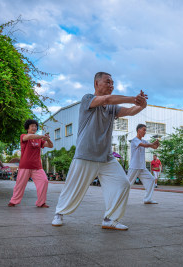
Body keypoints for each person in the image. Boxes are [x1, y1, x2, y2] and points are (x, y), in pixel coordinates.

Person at [52, 72, 148, 231]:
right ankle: (59, 213)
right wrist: (132, 98)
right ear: (96, 84)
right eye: (107, 82)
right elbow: (106, 99)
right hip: (86, 154)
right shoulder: (87, 99)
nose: (111, 85)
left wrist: (141, 104)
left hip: (106, 157)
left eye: (113, 83)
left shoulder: (112, 108)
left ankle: (110, 219)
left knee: (123, 183)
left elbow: (130, 111)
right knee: (73, 188)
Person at [8, 119, 53, 208]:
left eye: (36, 126)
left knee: (44, 181)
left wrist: (47, 139)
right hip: (25, 166)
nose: (34, 127)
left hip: (37, 166)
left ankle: (41, 203)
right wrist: (41, 136)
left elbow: (50, 146)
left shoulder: (39, 140)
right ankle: (14, 201)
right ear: (27, 128)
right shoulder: (23, 136)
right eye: (32, 126)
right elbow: (28, 137)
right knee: (20, 184)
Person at [127, 124, 159, 204]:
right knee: (127, 184)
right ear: (139, 130)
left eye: (145, 130)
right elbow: (145, 145)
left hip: (142, 167)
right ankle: (118, 200)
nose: (145, 132)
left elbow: (154, 147)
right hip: (134, 166)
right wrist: (152, 144)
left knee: (151, 179)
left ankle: (147, 199)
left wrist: (156, 144)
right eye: (144, 130)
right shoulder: (135, 140)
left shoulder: (144, 141)